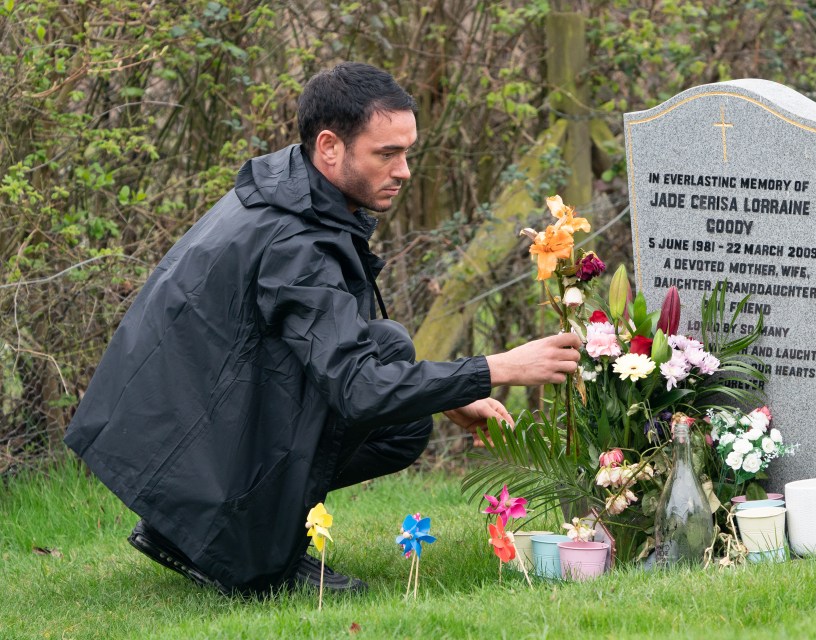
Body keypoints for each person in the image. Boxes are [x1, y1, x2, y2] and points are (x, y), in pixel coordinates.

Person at [64, 62, 581, 596]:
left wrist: (445, 393)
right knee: (377, 384)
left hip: (187, 424)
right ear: (330, 147)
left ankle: (187, 528)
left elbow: (348, 354)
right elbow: (356, 390)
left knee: (394, 366)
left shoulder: (288, 190)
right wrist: (496, 369)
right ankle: (251, 554)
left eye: (407, 152)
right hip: (186, 441)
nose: (403, 171)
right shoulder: (296, 241)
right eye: (387, 154)